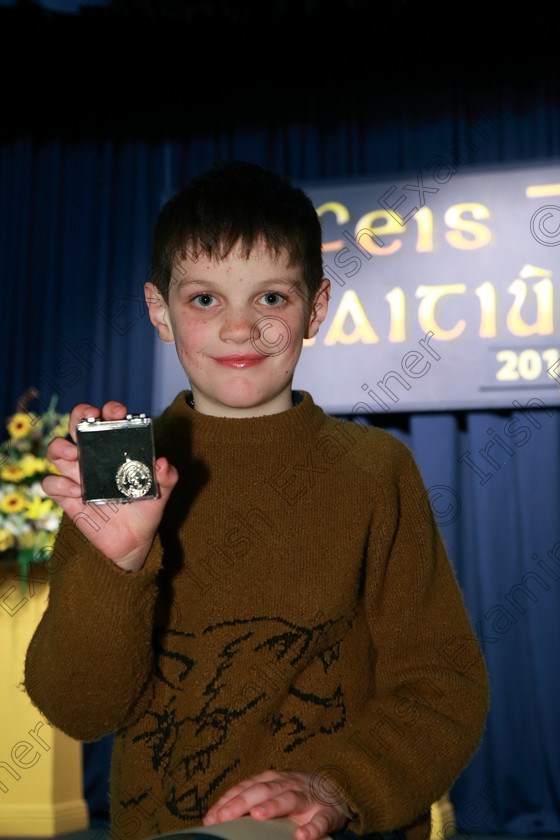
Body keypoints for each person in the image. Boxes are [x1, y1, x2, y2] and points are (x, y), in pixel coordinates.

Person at [25, 161, 489, 840]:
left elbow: (444, 688)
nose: (240, 328)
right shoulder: (125, 465)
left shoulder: (377, 469)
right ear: (159, 311)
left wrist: (337, 783)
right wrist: (117, 565)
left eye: (271, 298)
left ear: (317, 309)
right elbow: (80, 710)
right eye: (205, 299)